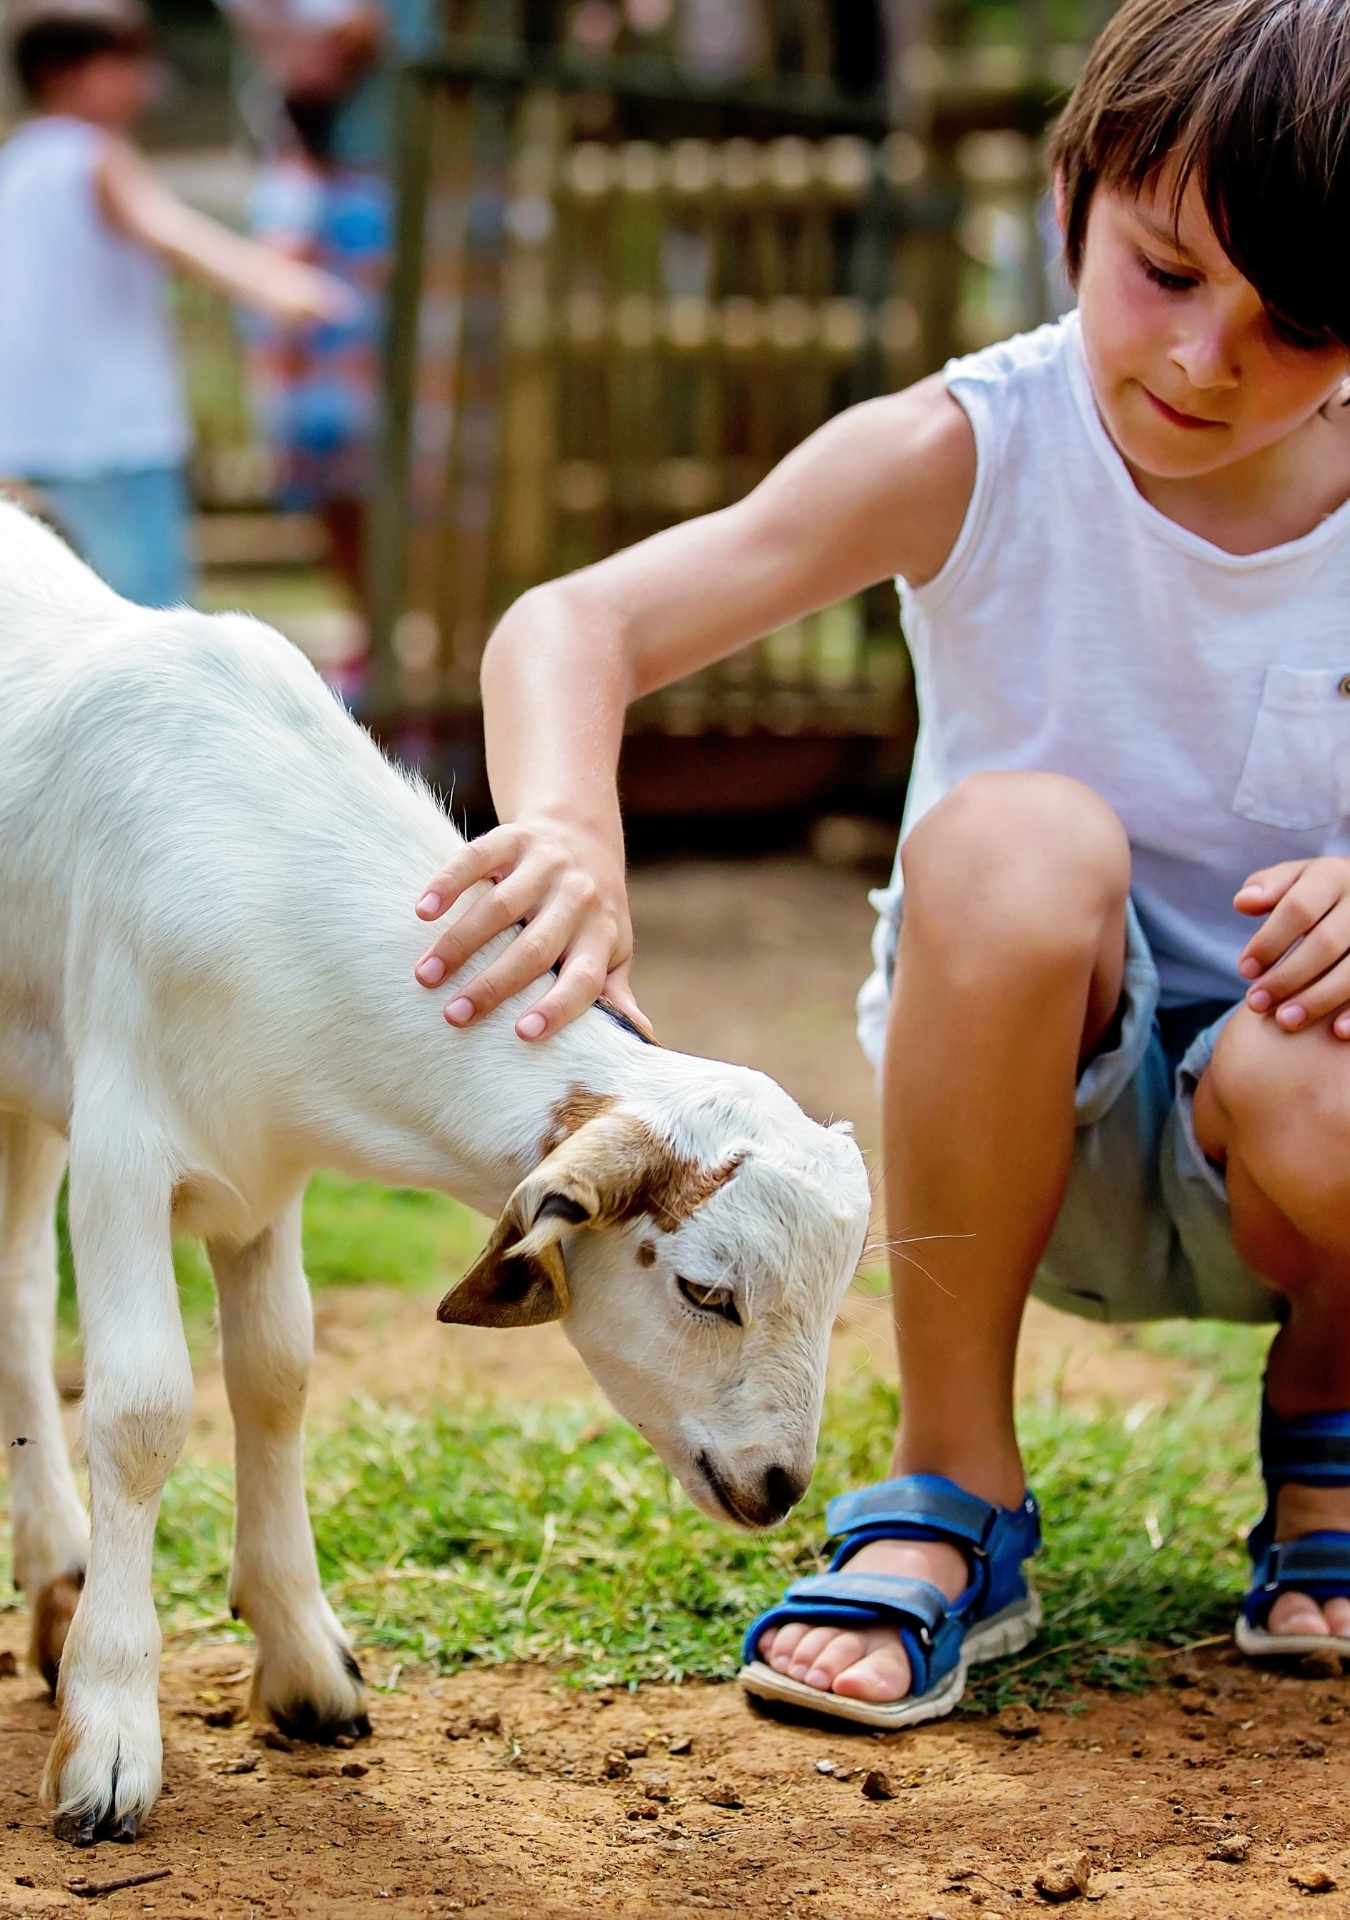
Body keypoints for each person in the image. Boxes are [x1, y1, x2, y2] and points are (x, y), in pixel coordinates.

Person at [408, 0, 1350, 1725]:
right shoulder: (969, 450)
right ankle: (953, 1488)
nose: (1212, 358)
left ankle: (1334, 1442)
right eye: (1168, 271)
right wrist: (561, 826)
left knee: (1326, 1057)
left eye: (1299, 322)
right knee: (1010, 837)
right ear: (1078, 193)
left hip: (1305, 1137)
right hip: (1012, 1126)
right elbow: (577, 623)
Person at [0, 0, 350, 609]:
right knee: (150, 617)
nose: (145, 83)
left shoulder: (17, 162)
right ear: (68, 74)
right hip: (113, 434)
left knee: (67, 616)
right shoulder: (94, 153)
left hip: (37, 435)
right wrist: (281, 287)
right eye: (128, 66)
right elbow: (173, 232)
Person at [220, 0, 437, 642]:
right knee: (327, 471)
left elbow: (354, 34)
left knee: (413, 473)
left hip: (401, 203)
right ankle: (376, 637)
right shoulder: (288, 190)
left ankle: (406, 639)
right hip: (309, 204)